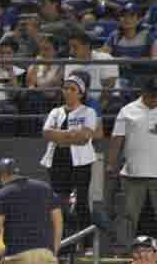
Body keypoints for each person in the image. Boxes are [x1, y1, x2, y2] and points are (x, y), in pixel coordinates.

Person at [41, 75, 99, 236]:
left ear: (81, 93)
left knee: (81, 202)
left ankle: (87, 242)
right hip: (57, 161)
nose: (67, 91)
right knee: (59, 203)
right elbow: (47, 133)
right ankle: (62, 239)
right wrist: (71, 135)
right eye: (65, 88)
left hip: (81, 163)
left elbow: (84, 137)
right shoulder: (55, 112)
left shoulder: (89, 112)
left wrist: (60, 136)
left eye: (72, 89)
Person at [107, 78, 157, 251]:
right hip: (133, 174)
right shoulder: (127, 111)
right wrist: (110, 164)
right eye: (152, 95)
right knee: (128, 216)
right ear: (144, 92)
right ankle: (123, 249)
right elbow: (117, 139)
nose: (155, 99)